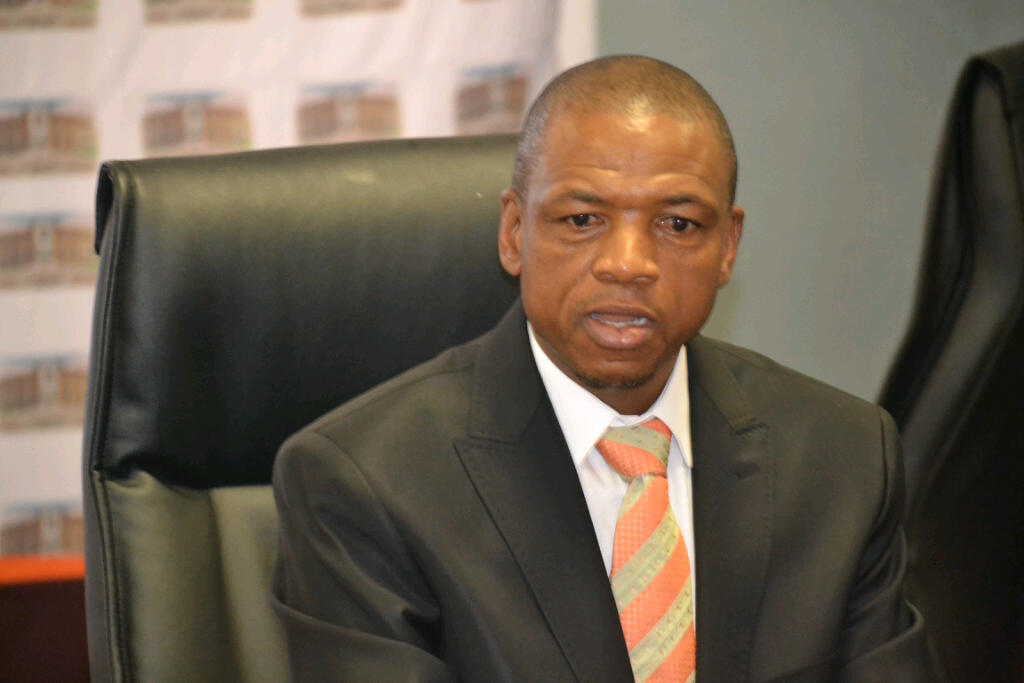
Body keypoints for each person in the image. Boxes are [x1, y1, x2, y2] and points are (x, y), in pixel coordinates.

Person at [272, 55, 934, 682]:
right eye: (583, 218)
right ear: (514, 232)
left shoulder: (843, 458)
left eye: (678, 224)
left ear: (728, 248)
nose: (628, 263)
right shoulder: (364, 482)